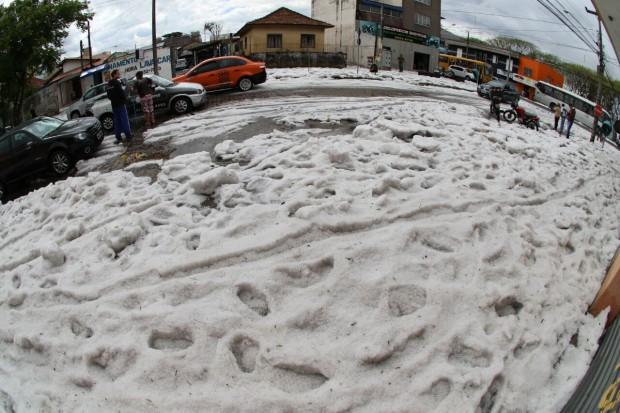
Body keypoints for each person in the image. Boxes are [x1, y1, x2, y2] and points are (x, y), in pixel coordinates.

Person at [106, 69, 132, 144]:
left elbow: (108, 96)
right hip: (120, 104)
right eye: (118, 74)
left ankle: (118, 136)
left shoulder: (108, 84)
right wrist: (124, 99)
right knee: (124, 119)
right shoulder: (117, 83)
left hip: (114, 105)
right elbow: (121, 93)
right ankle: (128, 135)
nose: (119, 75)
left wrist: (114, 100)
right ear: (114, 75)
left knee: (117, 121)